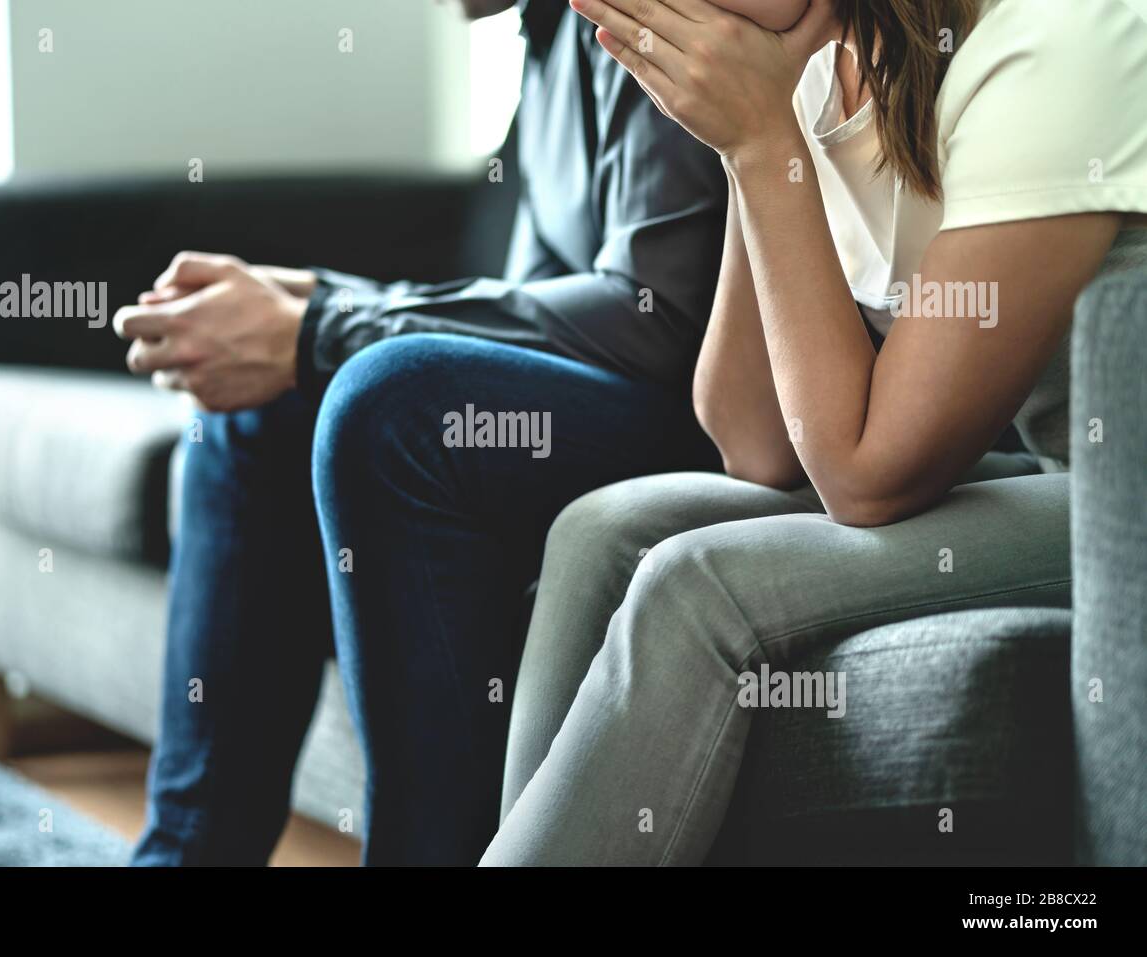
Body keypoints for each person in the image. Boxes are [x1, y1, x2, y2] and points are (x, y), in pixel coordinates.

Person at [483, 0, 1147, 865]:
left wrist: (765, 145)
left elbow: (868, 476)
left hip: (1122, 503)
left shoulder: (1060, 37)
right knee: (601, 530)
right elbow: (753, 440)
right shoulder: (828, 59)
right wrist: (745, 142)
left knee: (699, 585)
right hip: (1048, 470)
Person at [121, 0, 730, 865]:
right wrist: (310, 310)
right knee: (261, 399)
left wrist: (327, 324)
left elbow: (653, 316)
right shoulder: (549, 34)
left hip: (721, 423)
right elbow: (537, 303)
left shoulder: (641, 15)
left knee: (386, 399)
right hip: (624, 396)